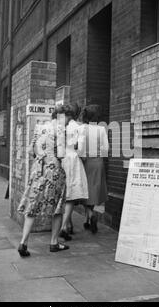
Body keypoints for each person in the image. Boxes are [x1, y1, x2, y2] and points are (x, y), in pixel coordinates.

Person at [17, 106, 71, 257]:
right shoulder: (60, 129)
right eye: (68, 118)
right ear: (63, 116)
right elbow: (61, 154)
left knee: (33, 204)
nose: (68, 122)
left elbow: (30, 150)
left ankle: (23, 242)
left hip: (38, 169)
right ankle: (54, 242)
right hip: (53, 170)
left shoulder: (39, 126)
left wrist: (41, 157)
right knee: (58, 207)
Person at [59, 103, 89, 241]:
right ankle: (64, 227)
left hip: (62, 159)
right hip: (73, 159)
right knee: (72, 194)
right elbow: (81, 149)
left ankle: (68, 224)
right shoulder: (79, 127)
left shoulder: (59, 126)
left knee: (64, 193)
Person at [80, 105, 109, 234]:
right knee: (94, 190)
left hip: (85, 161)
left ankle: (90, 215)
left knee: (84, 191)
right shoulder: (101, 129)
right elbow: (106, 149)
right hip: (98, 162)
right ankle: (87, 219)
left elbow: (78, 147)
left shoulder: (82, 129)